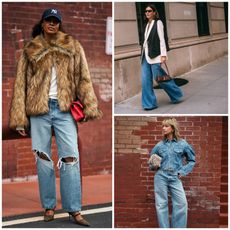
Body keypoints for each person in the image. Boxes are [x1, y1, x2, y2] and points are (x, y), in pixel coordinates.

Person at [9, 8, 103, 226]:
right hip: (38, 112)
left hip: (64, 110)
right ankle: (49, 205)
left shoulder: (73, 46)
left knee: (70, 157)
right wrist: (19, 118)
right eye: (48, 21)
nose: (52, 24)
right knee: (43, 159)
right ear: (42, 23)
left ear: (60, 24)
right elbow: (20, 85)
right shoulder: (30, 49)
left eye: (56, 21)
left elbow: (84, 78)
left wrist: (89, 106)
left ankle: (74, 210)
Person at [149, 118, 195, 228]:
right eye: (163, 126)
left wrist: (182, 171)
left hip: (175, 176)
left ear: (173, 128)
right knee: (161, 204)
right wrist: (153, 164)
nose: (163, 128)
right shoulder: (159, 145)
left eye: (166, 126)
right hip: (161, 176)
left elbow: (192, 160)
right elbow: (151, 163)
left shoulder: (183, 144)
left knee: (182, 203)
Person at [141, 4, 183, 110]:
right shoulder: (147, 25)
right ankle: (149, 104)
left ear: (154, 12)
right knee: (145, 80)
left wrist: (163, 55)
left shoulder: (158, 23)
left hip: (155, 55)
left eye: (149, 11)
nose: (147, 13)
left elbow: (162, 39)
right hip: (145, 56)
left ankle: (176, 94)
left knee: (159, 78)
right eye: (146, 11)